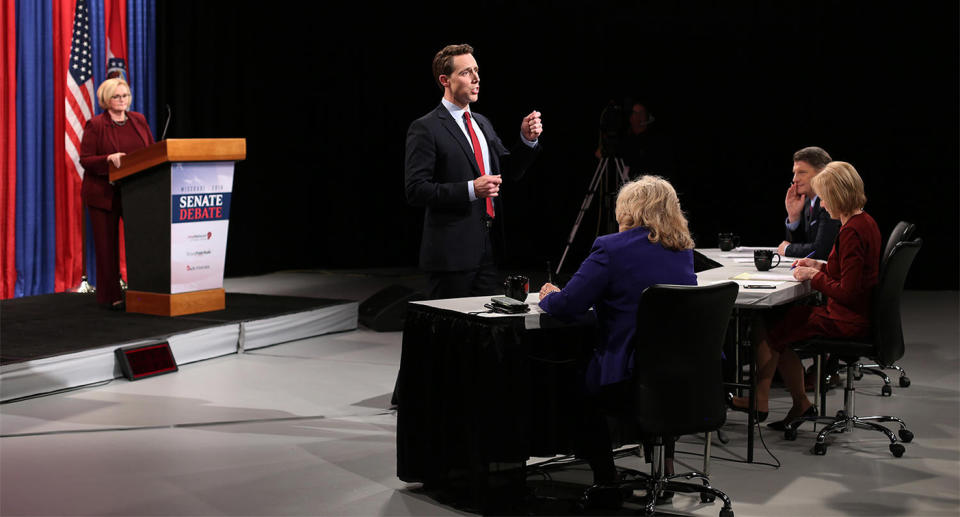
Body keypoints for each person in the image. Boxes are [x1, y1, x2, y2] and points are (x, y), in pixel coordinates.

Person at [538, 176, 697, 499]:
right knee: (655, 371)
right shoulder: (682, 249)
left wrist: (547, 296)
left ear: (628, 211)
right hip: (685, 376)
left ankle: (606, 478)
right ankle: (663, 471)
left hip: (626, 377)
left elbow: (569, 305)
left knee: (570, 382)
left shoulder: (610, 248)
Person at [730, 161, 882, 430]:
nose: (822, 205)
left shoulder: (852, 232)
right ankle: (795, 403)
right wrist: (817, 266)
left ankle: (766, 401)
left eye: (824, 198)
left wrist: (815, 277)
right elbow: (850, 273)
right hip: (853, 313)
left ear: (837, 195)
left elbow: (847, 291)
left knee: (770, 325)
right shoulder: (864, 222)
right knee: (777, 322)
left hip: (845, 319)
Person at [405, 44, 542, 300]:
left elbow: (509, 171)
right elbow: (416, 190)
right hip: (450, 256)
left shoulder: (482, 123)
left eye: (476, 70)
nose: (477, 78)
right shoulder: (426, 128)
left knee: (484, 333)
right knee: (450, 335)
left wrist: (526, 140)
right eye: (467, 72)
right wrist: (471, 189)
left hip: (487, 251)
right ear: (445, 80)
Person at [79, 78, 155, 310]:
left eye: (126, 96)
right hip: (104, 194)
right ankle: (112, 296)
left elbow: (152, 150)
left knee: (144, 243)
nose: (122, 100)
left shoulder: (138, 121)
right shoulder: (96, 125)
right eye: (117, 96)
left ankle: (146, 291)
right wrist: (107, 159)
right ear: (106, 100)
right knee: (106, 247)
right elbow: (86, 160)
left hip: (136, 192)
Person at [777, 146, 841, 260]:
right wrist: (794, 217)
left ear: (822, 173)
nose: (795, 179)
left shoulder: (831, 202)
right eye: (794, 173)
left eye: (801, 172)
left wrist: (788, 249)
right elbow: (800, 245)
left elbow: (822, 250)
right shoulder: (807, 202)